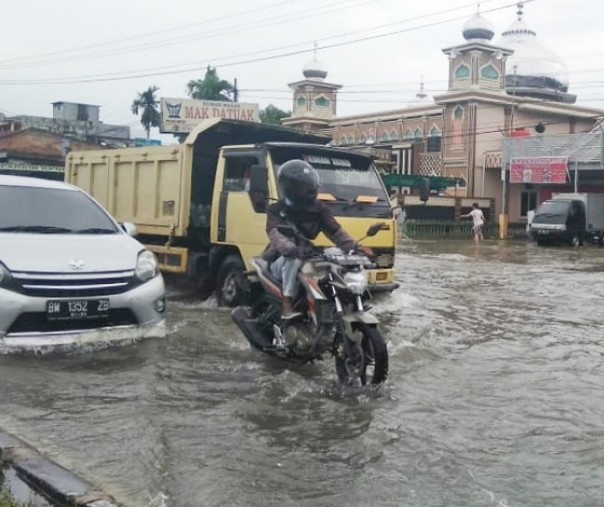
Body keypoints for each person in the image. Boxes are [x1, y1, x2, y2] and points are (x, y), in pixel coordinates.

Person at [264, 159, 373, 319]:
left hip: (307, 253)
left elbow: (336, 232)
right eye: (303, 186)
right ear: (291, 187)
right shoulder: (276, 210)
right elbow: (276, 235)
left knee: (342, 255)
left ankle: (355, 297)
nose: (310, 190)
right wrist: (292, 249)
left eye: (311, 185)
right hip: (279, 259)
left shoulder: (319, 208)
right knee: (292, 260)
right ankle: (287, 302)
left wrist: (357, 248)